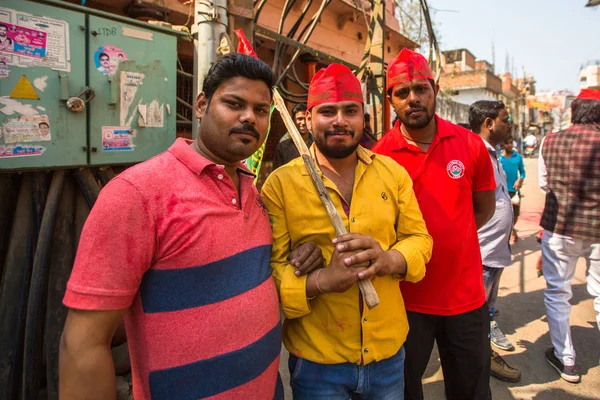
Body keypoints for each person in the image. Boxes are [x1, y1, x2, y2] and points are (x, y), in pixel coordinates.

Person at [59, 53, 323, 400]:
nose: (249, 117)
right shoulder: (136, 195)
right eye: (234, 103)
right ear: (201, 105)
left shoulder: (254, 191)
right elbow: (83, 345)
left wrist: (304, 256)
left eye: (261, 110)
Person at [261, 63, 433, 399]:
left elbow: (420, 239)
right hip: (317, 361)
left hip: (388, 356)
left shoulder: (392, 173)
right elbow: (270, 269)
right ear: (308, 120)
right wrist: (321, 281)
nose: (340, 120)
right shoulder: (280, 185)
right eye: (328, 111)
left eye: (350, 111)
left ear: (363, 119)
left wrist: (388, 259)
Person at [372, 48, 496, 400]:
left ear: (436, 89)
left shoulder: (470, 145)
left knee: (470, 389)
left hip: (466, 296)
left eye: (421, 89)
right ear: (391, 99)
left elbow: (484, 209)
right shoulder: (379, 157)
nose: (413, 98)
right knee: (406, 389)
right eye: (402, 92)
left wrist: (452, 237)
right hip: (406, 298)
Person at [539, 87, 600, 384]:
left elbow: (543, 185)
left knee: (558, 293)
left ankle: (567, 360)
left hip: (560, 228)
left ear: (574, 111)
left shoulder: (550, 141)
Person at [469, 100, 521, 383]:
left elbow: (498, 198)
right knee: (477, 315)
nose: (509, 124)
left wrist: (508, 228)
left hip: (495, 249)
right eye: (505, 119)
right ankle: (482, 360)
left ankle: (482, 355)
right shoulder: (474, 153)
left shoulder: (494, 154)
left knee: (487, 310)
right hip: (482, 251)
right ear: (488, 123)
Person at [500, 136, 526, 243]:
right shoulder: (498, 157)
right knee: (504, 215)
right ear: (503, 144)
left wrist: (520, 180)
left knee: (515, 216)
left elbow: (523, 173)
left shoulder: (518, 157)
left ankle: (512, 229)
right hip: (501, 191)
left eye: (511, 143)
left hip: (514, 191)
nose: (510, 145)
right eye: (507, 143)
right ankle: (509, 232)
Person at [272, 103, 311, 169]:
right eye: (299, 119)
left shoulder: (317, 145)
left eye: (305, 119)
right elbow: (277, 173)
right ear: (293, 121)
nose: (303, 123)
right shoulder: (283, 147)